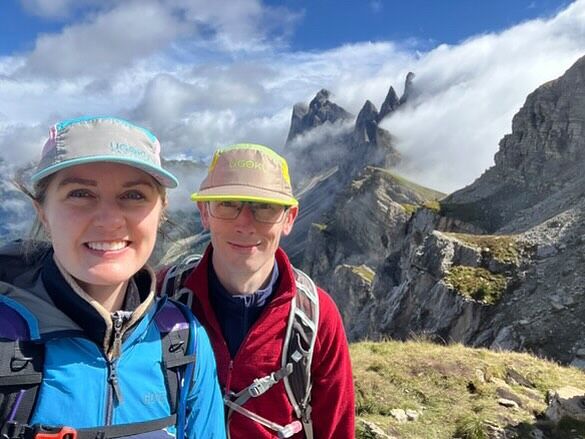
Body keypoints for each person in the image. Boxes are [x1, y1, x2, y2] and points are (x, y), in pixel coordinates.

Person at [0, 117, 226, 439]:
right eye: (80, 193)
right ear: (43, 212)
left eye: (134, 195)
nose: (109, 220)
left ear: (161, 210)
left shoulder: (183, 340)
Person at [159, 143, 355, 438]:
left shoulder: (317, 316)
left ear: (289, 218)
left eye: (264, 207)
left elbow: (336, 429)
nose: (245, 223)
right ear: (204, 212)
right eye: (227, 204)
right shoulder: (161, 294)